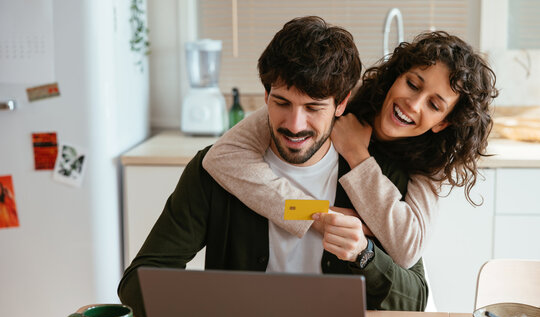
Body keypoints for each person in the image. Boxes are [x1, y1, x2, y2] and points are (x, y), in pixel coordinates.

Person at [118, 16, 429, 317]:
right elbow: (138, 282)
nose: (294, 125)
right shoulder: (215, 171)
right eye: (281, 102)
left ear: (341, 104)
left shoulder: (380, 173)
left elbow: (415, 301)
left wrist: (365, 255)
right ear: (265, 95)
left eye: (313, 108)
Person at [202, 30, 498, 269]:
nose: (413, 103)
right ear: (396, 76)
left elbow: (407, 249)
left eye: (434, 104)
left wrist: (358, 155)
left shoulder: (431, 161)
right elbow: (222, 156)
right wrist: (319, 214)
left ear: (443, 123)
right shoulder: (334, 103)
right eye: (412, 84)